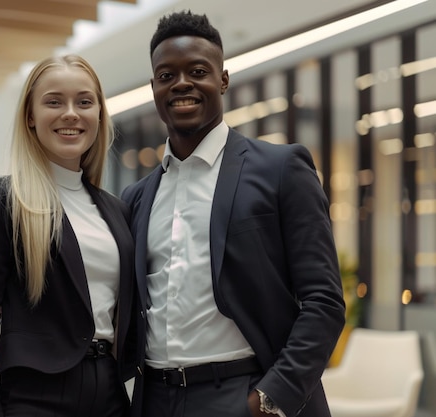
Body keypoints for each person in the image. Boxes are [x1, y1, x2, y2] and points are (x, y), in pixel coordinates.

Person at [121, 10, 346, 417]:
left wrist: (268, 400)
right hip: (155, 398)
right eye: (166, 75)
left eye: (197, 71)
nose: (181, 84)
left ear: (223, 80)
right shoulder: (137, 198)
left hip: (242, 393)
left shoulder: (281, 169)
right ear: (153, 87)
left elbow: (324, 301)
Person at [0, 54, 140, 417]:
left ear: (99, 114)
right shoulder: (4, 201)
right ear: (30, 117)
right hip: (36, 400)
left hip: (111, 396)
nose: (71, 113)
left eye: (84, 102)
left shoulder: (116, 211)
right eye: (54, 101)